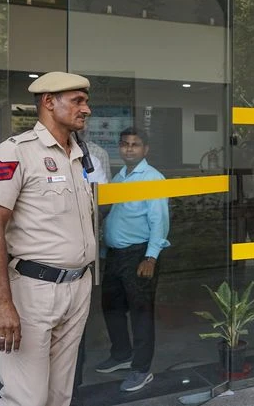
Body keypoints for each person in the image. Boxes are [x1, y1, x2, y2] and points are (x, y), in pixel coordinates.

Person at [0, 71, 96, 406]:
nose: (86, 109)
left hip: (77, 287)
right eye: (78, 101)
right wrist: (2, 302)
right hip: (33, 290)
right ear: (48, 102)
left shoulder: (77, 154)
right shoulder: (16, 152)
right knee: (25, 398)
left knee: (59, 395)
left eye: (85, 101)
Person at [95, 126, 169, 393]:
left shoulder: (152, 179)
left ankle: (141, 368)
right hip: (115, 256)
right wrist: (104, 252)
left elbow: (159, 222)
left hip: (139, 255)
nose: (128, 148)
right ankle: (121, 354)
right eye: (124, 144)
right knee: (111, 307)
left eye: (135, 145)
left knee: (140, 313)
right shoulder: (120, 177)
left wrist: (150, 257)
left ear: (145, 149)